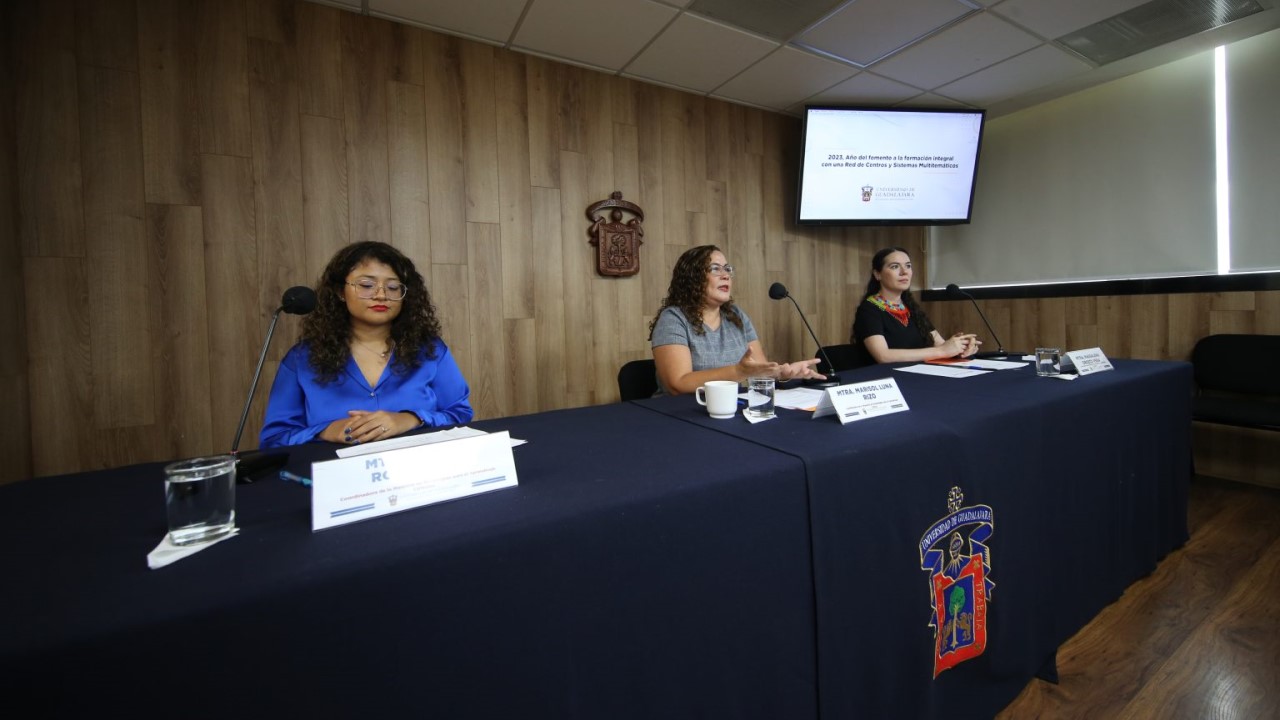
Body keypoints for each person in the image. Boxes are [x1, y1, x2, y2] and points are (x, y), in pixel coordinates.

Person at [260, 241, 473, 448]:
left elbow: (460, 414)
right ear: (340, 292)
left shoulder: (429, 350)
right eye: (366, 285)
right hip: (335, 468)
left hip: (417, 467)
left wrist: (411, 419)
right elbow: (274, 439)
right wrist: (325, 431)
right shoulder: (302, 358)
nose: (381, 295)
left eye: (393, 287)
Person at [648, 245, 824, 396]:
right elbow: (677, 384)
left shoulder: (736, 315)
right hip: (680, 412)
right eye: (715, 269)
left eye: (727, 269)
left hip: (731, 406)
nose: (725, 275)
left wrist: (783, 373)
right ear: (692, 278)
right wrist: (738, 372)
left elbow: (759, 372)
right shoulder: (673, 319)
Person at [850, 246, 979, 364]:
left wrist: (960, 348)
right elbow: (883, 356)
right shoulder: (868, 310)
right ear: (877, 274)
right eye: (895, 267)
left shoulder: (911, 307)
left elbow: (940, 345)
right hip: (887, 377)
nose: (904, 272)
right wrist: (942, 351)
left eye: (908, 266)